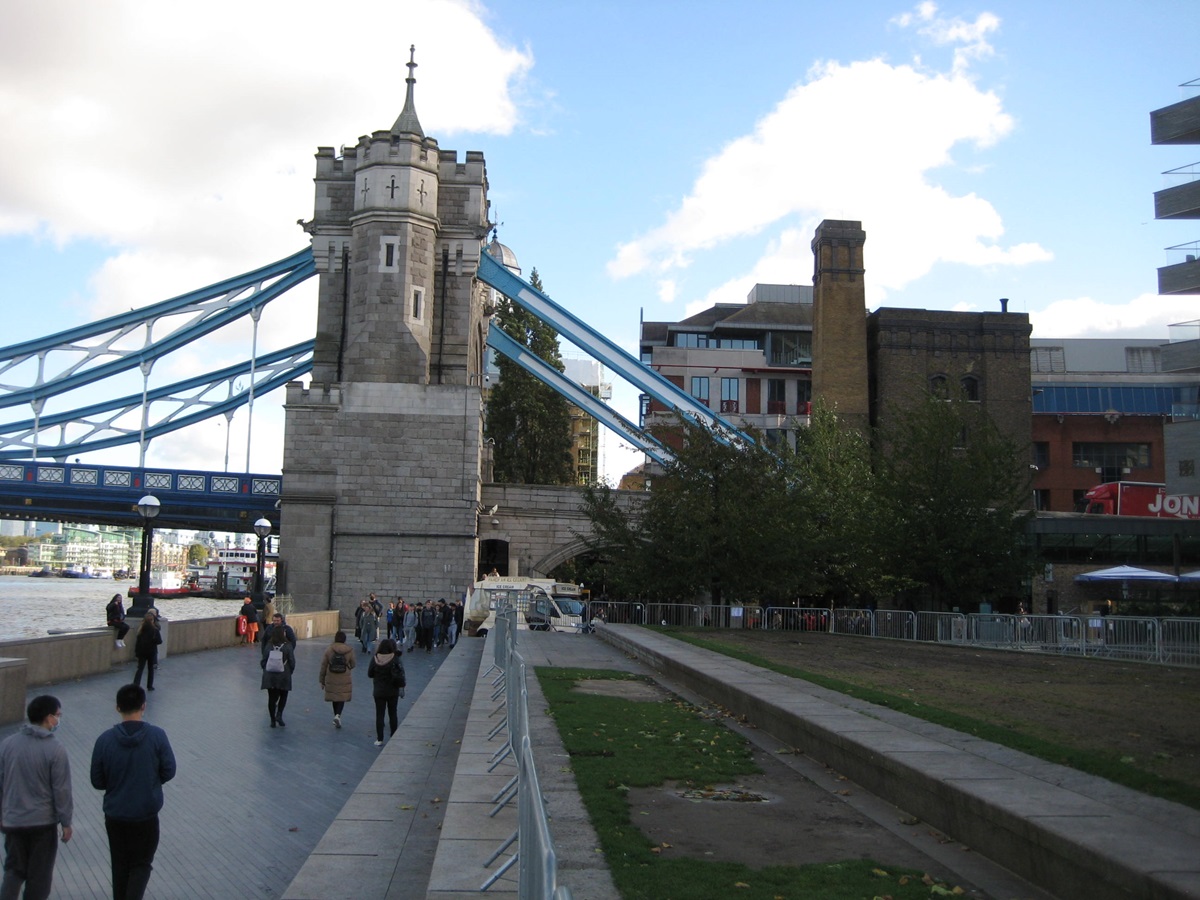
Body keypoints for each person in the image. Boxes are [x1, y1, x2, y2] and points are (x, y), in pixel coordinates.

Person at [90, 684, 176, 900]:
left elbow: (97, 781)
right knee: (141, 864)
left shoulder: (104, 740)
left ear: (118, 707)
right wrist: (150, 781)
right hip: (146, 814)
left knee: (119, 865)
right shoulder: (157, 736)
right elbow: (169, 770)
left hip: (115, 815)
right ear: (144, 706)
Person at [0, 695, 72, 900]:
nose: (58, 720)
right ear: (49, 718)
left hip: (13, 821)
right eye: (58, 715)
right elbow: (61, 790)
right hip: (42, 824)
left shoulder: (7, 745)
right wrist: (66, 822)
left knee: (13, 870)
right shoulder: (55, 749)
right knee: (39, 878)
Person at [367, 639, 406, 747]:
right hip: (392, 691)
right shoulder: (395, 659)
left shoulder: (375, 658)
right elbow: (401, 674)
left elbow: (370, 674)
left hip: (379, 691)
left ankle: (380, 739)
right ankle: (393, 736)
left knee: (380, 714)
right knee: (393, 713)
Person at [260, 625, 296, 728]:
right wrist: (290, 671)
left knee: (271, 698)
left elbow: (264, 660)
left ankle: (272, 720)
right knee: (283, 695)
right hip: (284, 675)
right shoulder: (287, 646)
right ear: (283, 634)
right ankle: (279, 714)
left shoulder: (269, 645)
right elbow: (292, 661)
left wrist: (265, 669)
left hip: (270, 675)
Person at [319, 630, 356, 729]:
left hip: (331, 676)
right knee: (341, 696)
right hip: (344, 676)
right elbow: (353, 664)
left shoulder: (329, 649)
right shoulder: (349, 650)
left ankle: (336, 715)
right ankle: (338, 715)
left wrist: (321, 680)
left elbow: (323, 665)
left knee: (334, 696)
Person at [132, 611, 162, 691]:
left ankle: (136, 684)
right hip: (151, 652)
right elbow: (159, 641)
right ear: (152, 620)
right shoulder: (155, 630)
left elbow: (137, 643)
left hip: (142, 652)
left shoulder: (141, 630)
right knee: (150, 669)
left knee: (140, 668)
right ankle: (149, 686)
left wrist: (136, 652)